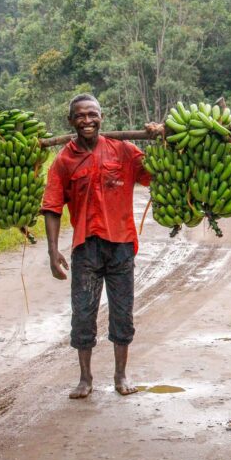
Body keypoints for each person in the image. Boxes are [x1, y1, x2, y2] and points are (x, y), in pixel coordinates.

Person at [41, 93, 161, 399]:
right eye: (80, 116)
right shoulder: (64, 161)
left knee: (123, 312)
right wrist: (53, 251)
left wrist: (161, 139)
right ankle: (85, 378)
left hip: (120, 245)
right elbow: (53, 206)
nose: (87, 120)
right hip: (85, 248)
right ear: (71, 121)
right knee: (83, 313)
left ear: (101, 117)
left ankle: (121, 375)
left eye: (92, 114)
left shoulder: (122, 150)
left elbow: (154, 173)